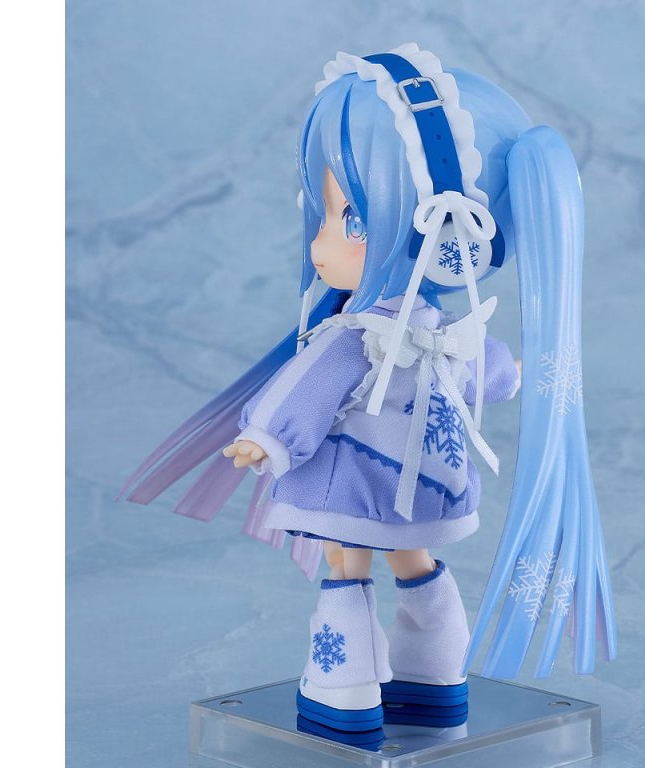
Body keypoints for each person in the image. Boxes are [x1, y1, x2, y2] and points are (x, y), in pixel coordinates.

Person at [119, 44, 616, 736]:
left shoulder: (355, 335)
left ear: (443, 230)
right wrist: (519, 373)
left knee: (346, 566)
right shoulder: (445, 331)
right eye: (325, 214)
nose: (322, 245)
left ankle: (344, 685)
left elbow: (307, 391)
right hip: (433, 487)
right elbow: (490, 372)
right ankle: (436, 673)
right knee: (416, 563)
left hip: (351, 486)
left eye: (351, 220)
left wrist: (266, 438)